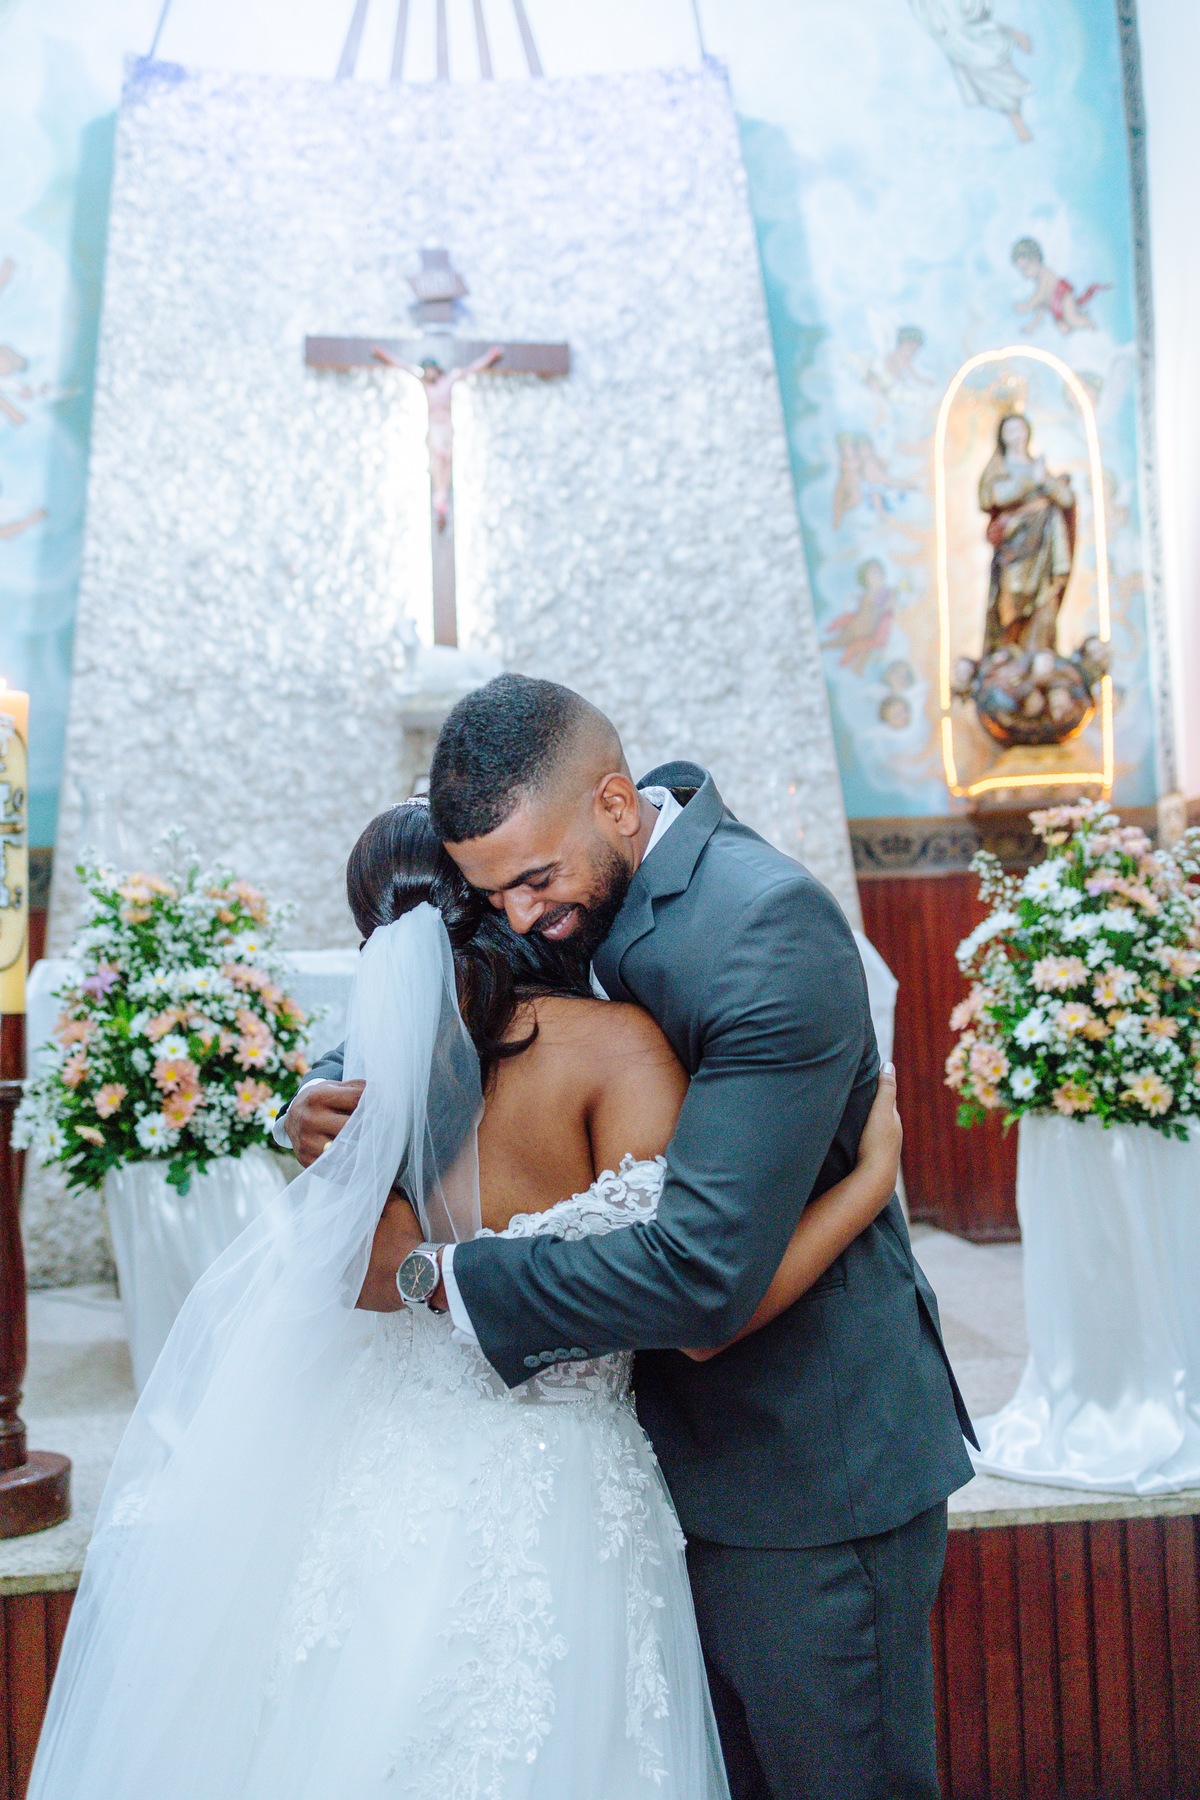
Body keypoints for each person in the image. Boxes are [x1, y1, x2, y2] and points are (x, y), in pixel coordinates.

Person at [30, 800, 905, 1800]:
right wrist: (865, 1184)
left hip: (390, 1480)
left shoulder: (373, 1084)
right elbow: (698, 1317)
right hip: (564, 1494)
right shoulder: (621, 1052)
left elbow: (365, 1279)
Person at [286, 675, 977, 1799]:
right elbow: (441, 994)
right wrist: (313, 1095)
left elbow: (701, 1279)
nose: (517, 916)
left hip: (795, 1468)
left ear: (617, 805)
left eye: (533, 882)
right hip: (631, 1473)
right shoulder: (566, 883)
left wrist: (435, 1275)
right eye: (489, 894)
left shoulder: (763, 929)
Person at [979, 411, 1076, 656]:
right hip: (1015, 547)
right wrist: (1033, 482)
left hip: (1044, 545)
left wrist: (1047, 482)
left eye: (1020, 428)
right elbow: (993, 496)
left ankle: (1039, 653)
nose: (1016, 435)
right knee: (1010, 601)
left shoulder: (1039, 467)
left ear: (1028, 432)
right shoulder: (998, 468)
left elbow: (1066, 499)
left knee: (1045, 599)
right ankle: (1007, 653)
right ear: (1001, 436)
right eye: (1010, 430)